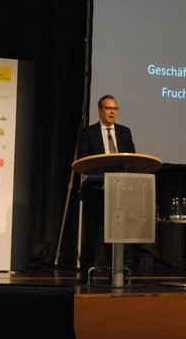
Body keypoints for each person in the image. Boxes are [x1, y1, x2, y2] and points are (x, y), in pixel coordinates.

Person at [76, 95, 135, 277]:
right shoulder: (89, 132)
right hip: (95, 189)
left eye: (115, 109)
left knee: (117, 232)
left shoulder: (124, 132)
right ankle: (85, 271)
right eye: (108, 108)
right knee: (91, 232)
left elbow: (132, 157)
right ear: (100, 110)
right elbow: (83, 158)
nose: (112, 112)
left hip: (119, 191)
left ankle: (115, 271)